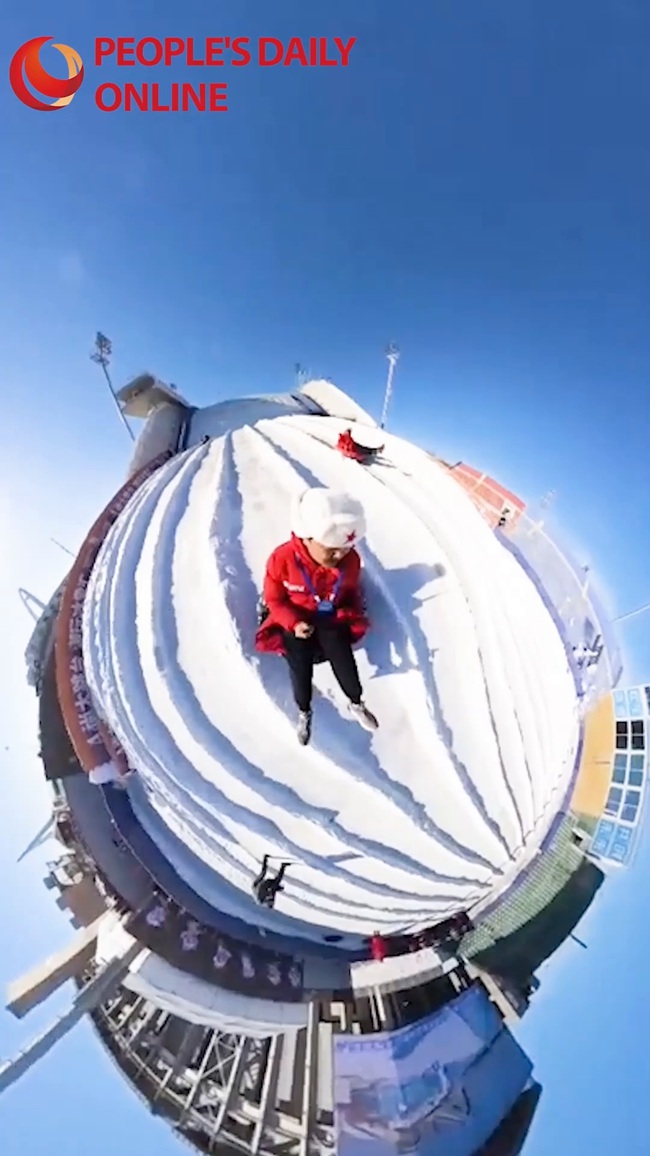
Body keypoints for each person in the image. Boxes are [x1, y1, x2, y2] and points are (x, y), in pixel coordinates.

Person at [256, 487, 379, 745]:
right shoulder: (282, 559)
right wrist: (293, 622)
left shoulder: (350, 561)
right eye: (332, 549)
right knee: (298, 658)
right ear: (308, 537)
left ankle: (356, 701)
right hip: (295, 617)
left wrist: (347, 612)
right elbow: (274, 599)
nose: (340, 555)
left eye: (345, 548)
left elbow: (348, 591)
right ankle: (304, 709)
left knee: (339, 647)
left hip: (328, 615)